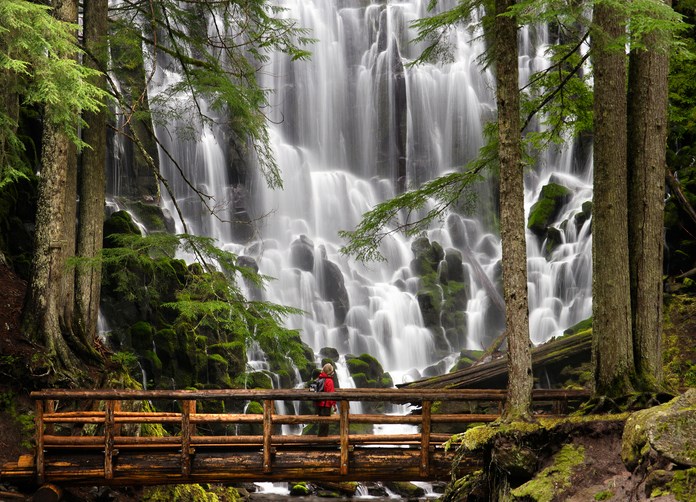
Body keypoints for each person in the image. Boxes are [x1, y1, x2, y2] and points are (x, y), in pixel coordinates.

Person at [315, 363, 336, 437]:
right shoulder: (329, 381)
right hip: (326, 405)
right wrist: (334, 405)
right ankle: (323, 440)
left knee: (321, 422)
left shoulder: (319, 379)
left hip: (319, 404)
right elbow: (331, 394)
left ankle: (320, 438)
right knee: (325, 423)